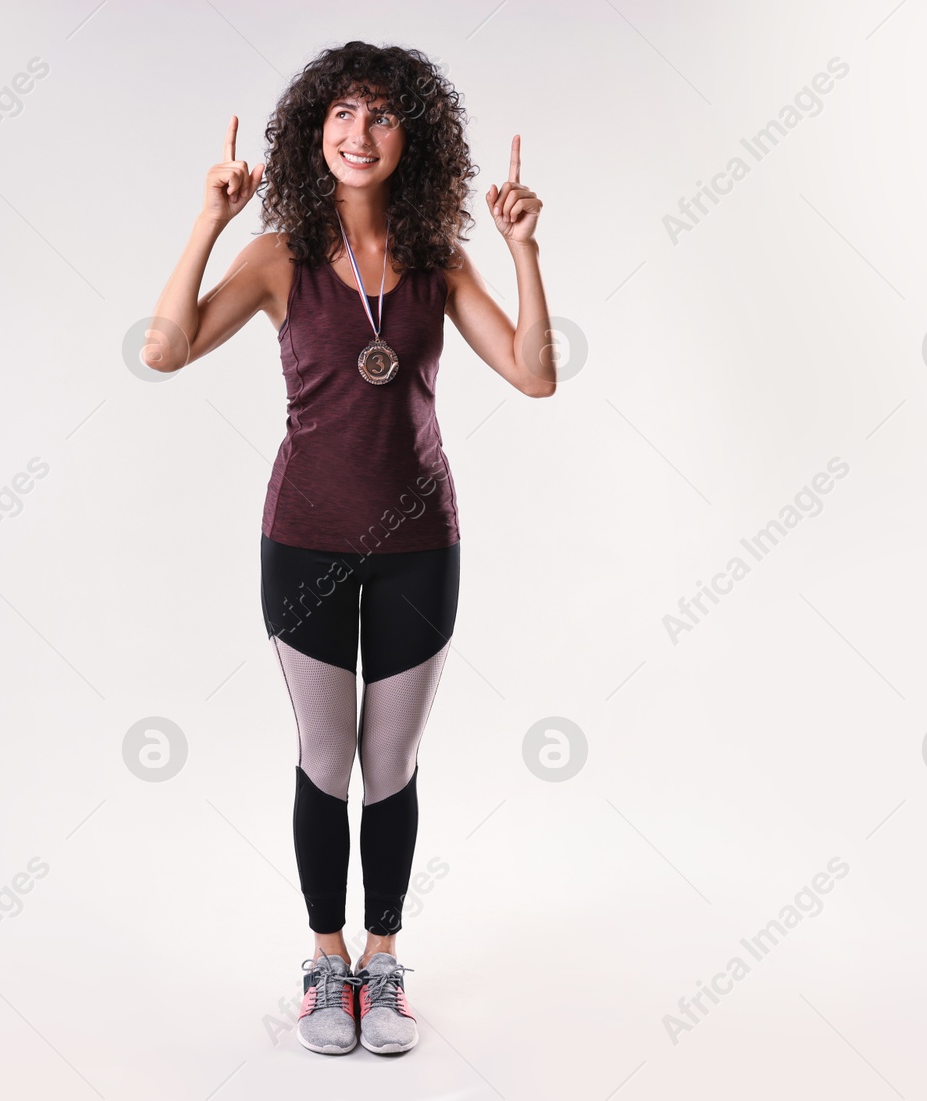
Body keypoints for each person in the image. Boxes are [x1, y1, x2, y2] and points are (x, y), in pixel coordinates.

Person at [144, 41, 552, 1056]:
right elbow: (164, 348)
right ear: (311, 133)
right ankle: (326, 964)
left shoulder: (437, 260)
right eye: (340, 114)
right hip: (306, 541)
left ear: (410, 137)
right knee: (327, 759)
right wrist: (211, 218)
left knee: (391, 761)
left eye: (379, 116)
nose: (357, 134)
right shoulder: (279, 255)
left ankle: (383, 961)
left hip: (421, 544)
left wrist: (524, 251)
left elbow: (535, 375)